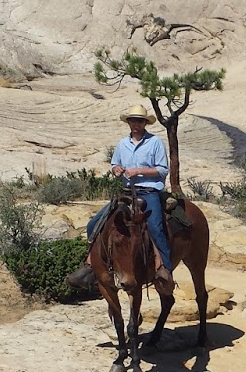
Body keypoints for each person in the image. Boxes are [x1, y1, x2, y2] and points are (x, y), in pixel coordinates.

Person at [67, 106, 173, 288]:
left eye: (139, 121)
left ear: (145, 123)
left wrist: (138, 171)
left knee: (155, 227)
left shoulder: (155, 142)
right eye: (133, 120)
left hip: (149, 192)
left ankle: (164, 269)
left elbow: (162, 169)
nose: (136, 124)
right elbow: (115, 163)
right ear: (128, 122)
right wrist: (116, 169)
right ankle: (91, 266)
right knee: (94, 224)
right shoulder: (123, 143)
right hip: (126, 193)